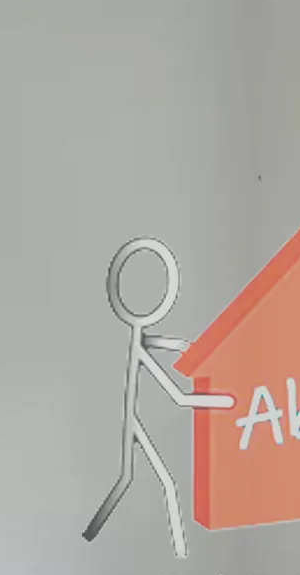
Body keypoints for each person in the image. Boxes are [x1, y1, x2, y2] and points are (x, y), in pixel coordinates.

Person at [83, 238, 233, 558]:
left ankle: (96, 532)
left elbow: (169, 348)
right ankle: (172, 548)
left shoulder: (142, 342)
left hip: (137, 420)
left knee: (138, 477)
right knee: (152, 479)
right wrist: (223, 402)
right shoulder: (140, 346)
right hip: (136, 421)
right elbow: (178, 396)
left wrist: (186, 349)